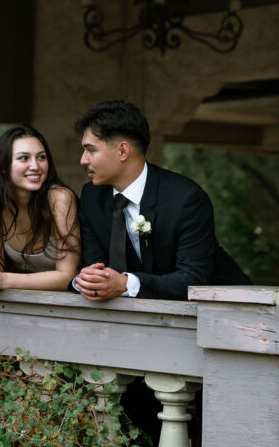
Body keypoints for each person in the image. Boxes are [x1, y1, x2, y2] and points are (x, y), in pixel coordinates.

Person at [74, 99, 250, 301]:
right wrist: (91, 280)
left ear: (123, 151)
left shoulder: (186, 199)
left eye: (91, 150)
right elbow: (96, 267)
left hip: (226, 311)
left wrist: (126, 284)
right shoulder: (92, 197)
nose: (83, 160)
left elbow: (193, 279)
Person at [0, 125, 80, 294]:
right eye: (24, 158)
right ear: (3, 166)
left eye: (41, 157)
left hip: (71, 304)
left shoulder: (60, 198)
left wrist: (4, 279)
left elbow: (68, 277)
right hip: (22, 302)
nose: (35, 166)